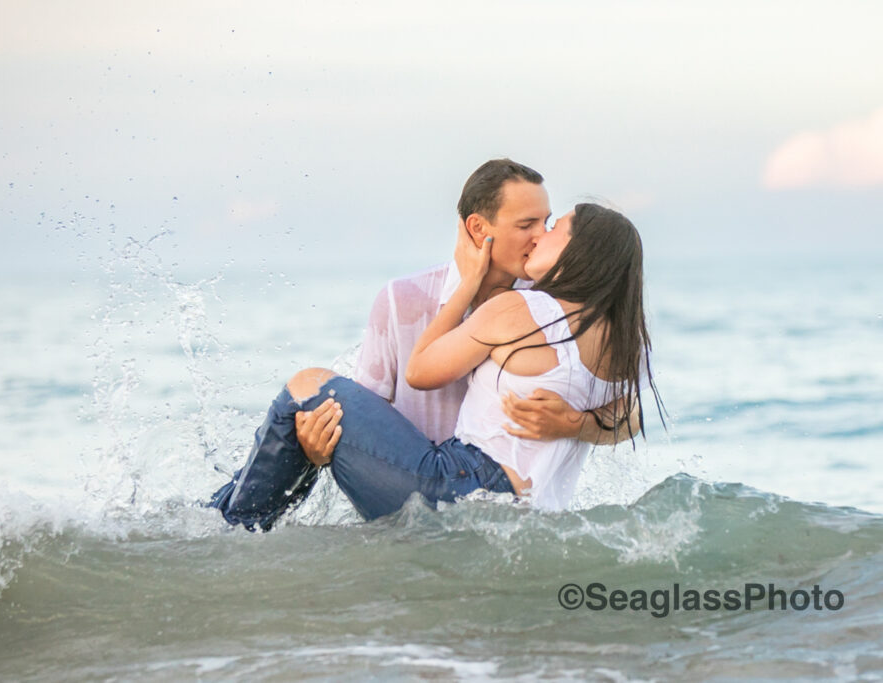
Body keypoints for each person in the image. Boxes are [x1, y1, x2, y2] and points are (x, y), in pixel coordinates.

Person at [214, 203, 662, 529]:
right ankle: (225, 515)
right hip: (531, 520)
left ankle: (230, 524)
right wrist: (577, 423)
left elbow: (420, 370)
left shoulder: (521, 309)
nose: (541, 234)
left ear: (578, 251)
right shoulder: (628, 341)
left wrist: (467, 285)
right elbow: (630, 419)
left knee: (308, 383)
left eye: (554, 227)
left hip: (460, 487)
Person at [293, 159, 639, 471]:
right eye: (526, 225)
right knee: (300, 402)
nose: (541, 236)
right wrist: (318, 450)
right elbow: (365, 417)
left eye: (547, 223)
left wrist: (573, 424)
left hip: (493, 510)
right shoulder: (402, 300)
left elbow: (632, 415)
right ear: (477, 229)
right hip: (405, 499)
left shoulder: (549, 309)